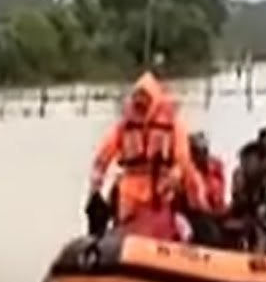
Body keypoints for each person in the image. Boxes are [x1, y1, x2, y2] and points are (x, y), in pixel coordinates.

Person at [88, 72, 205, 239]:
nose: (140, 104)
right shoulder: (125, 126)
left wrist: (175, 175)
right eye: (137, 98)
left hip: (160, 190)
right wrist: (96, 181)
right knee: (127, 229)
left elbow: (182, 158)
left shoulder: (172, 126)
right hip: (130, 192)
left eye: (144, 98)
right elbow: (103, 156)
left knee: (161, 227)